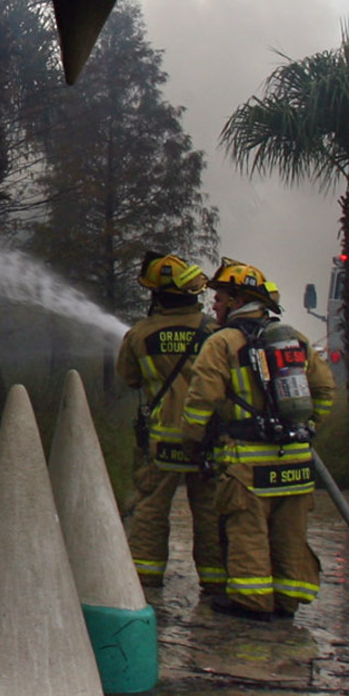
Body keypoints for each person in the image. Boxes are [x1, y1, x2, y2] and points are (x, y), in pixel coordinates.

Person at [180, 259, 335, 619]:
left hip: (247, 460)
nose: (214, 305)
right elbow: (325, 388)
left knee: (246, 529)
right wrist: (309, 427)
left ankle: (251, 602)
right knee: (289, 533)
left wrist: (194, 441)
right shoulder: (293, 339)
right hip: (296, 458)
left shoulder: (221, 343)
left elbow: (200, 402)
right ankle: (287, 600)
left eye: (218, 298)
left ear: (236, 301)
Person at [118, 253, 221, 594]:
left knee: (151, 507)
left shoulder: (139, 334)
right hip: (207, 439)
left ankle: (145, 577)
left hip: (162, 441)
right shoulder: (215, 333)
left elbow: (130, 379)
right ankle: (215, 579)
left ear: (158, 296)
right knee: (209, 509)